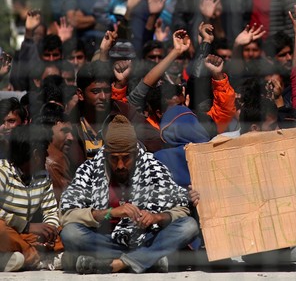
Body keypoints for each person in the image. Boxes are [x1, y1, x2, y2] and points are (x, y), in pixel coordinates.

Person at [59, 115, 199, 274]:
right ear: (106, 155)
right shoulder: (90, 170)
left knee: (189, 226)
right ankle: (149, 260)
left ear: (135, 154)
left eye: (126, 158)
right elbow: (66, 215)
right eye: (114, 159)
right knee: (70, 234)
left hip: (146, 239)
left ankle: (117, 263)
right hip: (106, 240)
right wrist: (109, 213)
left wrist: (157, 217)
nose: (120, 166)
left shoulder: (153, 168)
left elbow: (181, 210)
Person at [0, 125, 62, 272]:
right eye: (44, 152)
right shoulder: (3, 172)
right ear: (35, 154)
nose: (47, 156)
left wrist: (50, 231)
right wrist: (26, 226)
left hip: (24, 236)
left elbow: (51, 211)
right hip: (9, 232)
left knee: (64, 231)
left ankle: (19, 258)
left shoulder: (43, 176)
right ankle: (30, 254)